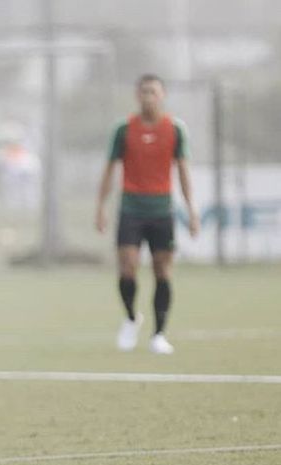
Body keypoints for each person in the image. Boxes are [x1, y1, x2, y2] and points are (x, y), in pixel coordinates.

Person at [95, 74, 199, 355]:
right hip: (131, 209)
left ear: (162, 95)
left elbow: (184, 171)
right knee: (127, 267)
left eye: (153, 92)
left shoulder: (175, 129)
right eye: (143, 92)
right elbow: (109, 170)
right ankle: (131, 317)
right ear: (136, 96)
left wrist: (191, 211)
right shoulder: (123, 129)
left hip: (161, 210)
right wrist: (101, 207)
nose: (148, 97)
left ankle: (159, 334)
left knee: (162, 270)